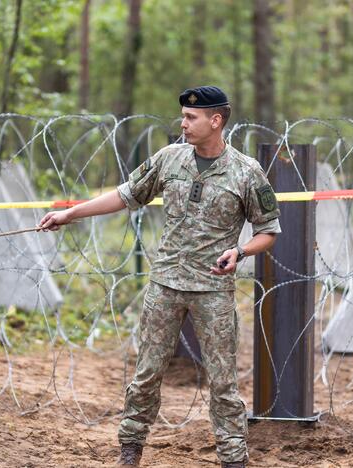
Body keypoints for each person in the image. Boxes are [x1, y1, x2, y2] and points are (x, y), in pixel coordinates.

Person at [38, 86, 280, 468]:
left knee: (223, 382)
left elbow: (268, 231)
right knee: (147, 373)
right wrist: (70, 214)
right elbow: (124, 195)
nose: (182, 123)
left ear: (215, 121)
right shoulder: (169, 159)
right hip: (164, 285)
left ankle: (233, 458)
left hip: (212, 290)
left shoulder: (247, 172)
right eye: (183, 116)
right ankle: (130, 450)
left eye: (191, 118)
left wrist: (241, 251)